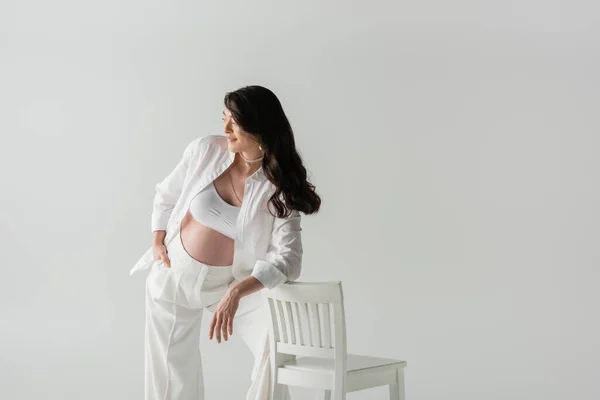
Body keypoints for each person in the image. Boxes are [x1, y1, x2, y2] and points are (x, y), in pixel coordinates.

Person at [129, 85, 322, 400]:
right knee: (171, 381)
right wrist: (157, 239)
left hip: (231, 285)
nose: (226, 129)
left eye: (235, 122)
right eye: (225, 119)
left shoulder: (280, 188)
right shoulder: (205, 150)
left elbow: (289, 258)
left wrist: (236, 291)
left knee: (275, 342)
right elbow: (166, 194)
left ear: (259, 128)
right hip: (175, 277)